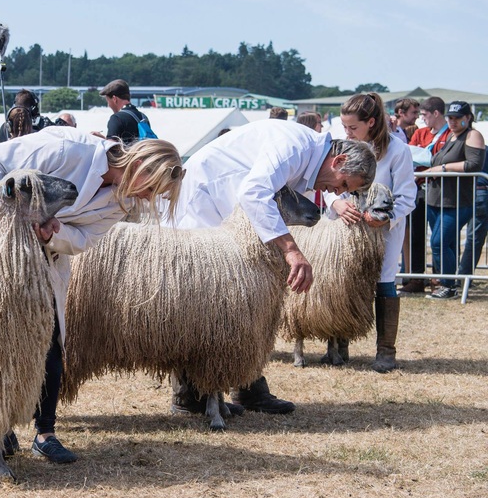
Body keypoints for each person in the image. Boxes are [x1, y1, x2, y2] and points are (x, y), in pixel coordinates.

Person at [0, 128, 185, 464]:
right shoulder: (67, 149)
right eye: (152, 189)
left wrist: (55, 232)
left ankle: (45, 432)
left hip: (44, 265)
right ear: (142, 166)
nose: (147, 198)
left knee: (49, 341)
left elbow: (84, 238)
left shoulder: (122, 201)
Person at [171, 119, 376, 415]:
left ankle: (248, 384)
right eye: (342, 184)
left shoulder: (307, 156)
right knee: (205, 302)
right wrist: (291, 250)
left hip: (231, 210)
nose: (336, 190)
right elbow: (255, 192)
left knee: (248, 301)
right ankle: (190, 394)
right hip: (205, 202)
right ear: (339, 160)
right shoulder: (294, 147)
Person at [334, 92, 417, 371]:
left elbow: (406, 195)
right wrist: (337, 204)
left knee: (383, 282)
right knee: (344, 280)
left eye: (352, 127)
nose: (347, 132)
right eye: (344, 127)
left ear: (371, 122)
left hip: (383, 232)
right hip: (348, 228)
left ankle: (385, 351)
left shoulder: (397, 151)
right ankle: (338, 344)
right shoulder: (341, 148)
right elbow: (326, 185)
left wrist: (386, 218)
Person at [425, 102, 486, 300]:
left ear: (467, 117)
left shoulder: (472, 135)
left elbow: (473, 164)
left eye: (457, 117)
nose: (452, 121)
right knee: (446, 244)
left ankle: (448, 285)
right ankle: (448, 285)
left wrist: (442, 169)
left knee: (438, 243)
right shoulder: (450, 135)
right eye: (450, 117)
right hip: (436, 199)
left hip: (457, 201)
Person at [399, 97, 450, 294]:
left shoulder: (451, 135)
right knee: (415, 235)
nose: (422, 119)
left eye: (425, 115)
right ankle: (416, 278)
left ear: (436, 113)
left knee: (441, 236)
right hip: (419, 189)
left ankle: (440, 277)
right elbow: (410, 155)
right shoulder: (420, 133)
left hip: (442, 191)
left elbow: (442, 158)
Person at [457, 148, 488, 281]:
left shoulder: (460, 149)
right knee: (474, 238)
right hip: (478, 192)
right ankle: (463, 277)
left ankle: (460, 277)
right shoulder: (483, 150)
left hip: (469, 192)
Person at [101, 79, 155, 143]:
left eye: (108, 101)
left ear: (114, 99)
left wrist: (100, 139)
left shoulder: (116, 118)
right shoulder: (143, 117)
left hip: (127, 153)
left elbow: (111, 147)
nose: (108, 105)